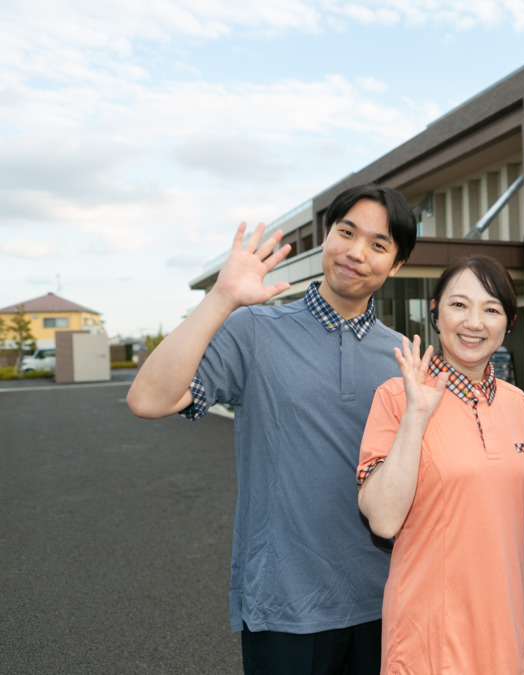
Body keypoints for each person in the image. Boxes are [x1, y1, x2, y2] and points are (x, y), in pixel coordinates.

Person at [126, 184, 418, 675]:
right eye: (347, 233)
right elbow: (148, 399)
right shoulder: (255, 331)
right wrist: (222, 298)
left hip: (386, 603)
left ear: (396, 265)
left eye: (378, 244)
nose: (356, 252)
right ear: (327, 237)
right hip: (283, 606)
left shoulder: (404, 358)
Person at [356, 255, 524, 674]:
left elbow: (522, 516)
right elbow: (383, 521)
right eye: (459, 305)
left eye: (491, 309)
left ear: (509, 323)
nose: (474, 322)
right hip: (428, 641)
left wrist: (514, 609)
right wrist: (416, 417)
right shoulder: (395, 397)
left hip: (504, 639)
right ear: (435, 313)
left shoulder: (520, 406)